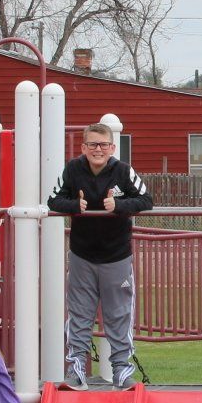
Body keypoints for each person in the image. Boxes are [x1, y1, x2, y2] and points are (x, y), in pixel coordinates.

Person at [48, 122, 153, 388]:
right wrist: (75, 205)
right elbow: (53, 200)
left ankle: (121, 372)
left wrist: (118, 205)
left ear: (112, 147)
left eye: (103, 145)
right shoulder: (73, 169)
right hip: (82, 254)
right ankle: (76, 372)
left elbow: (146, 200)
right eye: (92, 144)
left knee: (118, 314)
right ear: (83, 147)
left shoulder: (123, 171)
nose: (98, 149)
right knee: (79, 314)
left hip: (116, 256)